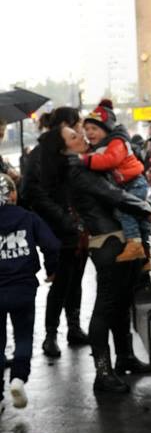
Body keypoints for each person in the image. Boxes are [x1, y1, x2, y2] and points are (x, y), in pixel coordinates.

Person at [59, 124, 151, 392]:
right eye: (74, 136)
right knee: (106, 306)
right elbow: (112, 194)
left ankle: (124, 357)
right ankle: (103, 373)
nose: (82, 136)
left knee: (120, 304)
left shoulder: (85, 163)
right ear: (63, 148)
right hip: (107, 242)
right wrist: (146, 210)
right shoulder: (77, 168)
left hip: (113, 239)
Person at [19, 106, 89, 357]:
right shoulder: (41, 154)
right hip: (56, 229)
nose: (79, 128)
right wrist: (62, 218)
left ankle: (74, 327)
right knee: (61, 282)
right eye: (76, 124)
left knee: (76, 279)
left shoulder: (70, 151)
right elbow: (31, 191)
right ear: (64, 125)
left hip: (77, 227)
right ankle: (50, 335)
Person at [0, 172, 59, 411]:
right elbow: (52, 245)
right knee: (23, 335)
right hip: (23, 287)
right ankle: (18, 378)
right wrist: (51, 270)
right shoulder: (27, 217)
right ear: (13, 194)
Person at [81, 99, 151, 263]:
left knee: (124, 211)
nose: (89, 133)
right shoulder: (101, 145)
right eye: (86, 129)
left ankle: (134, 244)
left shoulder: (117, 141)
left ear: (106, 128)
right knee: (139, 218)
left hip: (135, 183)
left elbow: (110, 160)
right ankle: (150, 252)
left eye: (94, 128)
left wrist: (85, 160)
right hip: (127, 184)